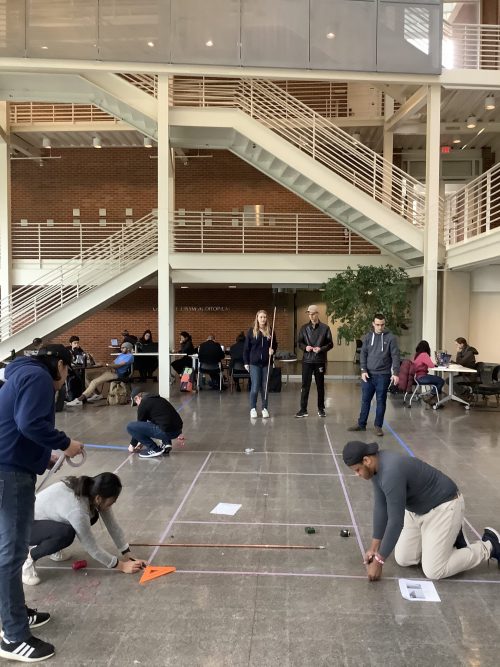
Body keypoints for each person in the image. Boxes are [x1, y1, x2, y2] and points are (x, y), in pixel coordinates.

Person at [0, 344, 83, 663]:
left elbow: (18, 428)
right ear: (59, 365)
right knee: (12, 554)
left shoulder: (22, 373)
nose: (65, 378)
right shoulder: (38, 378)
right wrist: (66, 444)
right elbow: (30, 424)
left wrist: (44, 457)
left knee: (10, 551)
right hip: (9, 473)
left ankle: (16, 612)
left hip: (10, 465)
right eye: (67, 370)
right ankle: (13, 635)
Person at [342, 440, 500, 582]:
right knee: (404, 559)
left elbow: (396, 522)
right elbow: (381, 506)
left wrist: (379, 561)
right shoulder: (376, 469)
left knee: (434, 570)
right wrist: (374, 548)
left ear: (366, 460)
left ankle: (490, 545)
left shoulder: (390, 471)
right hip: (417, 510)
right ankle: (446, 540)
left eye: (357, 470)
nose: (357, 475)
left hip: (444, 507)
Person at [22, 473, 146, 586]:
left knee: (92, 516)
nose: (112, 505)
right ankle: (28, 558)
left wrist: (127, 554)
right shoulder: (78, 510)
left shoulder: (92, 491)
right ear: (98, 498)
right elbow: (92, 547)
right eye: (112, 501)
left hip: (43, 520)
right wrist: (122, 566)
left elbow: (113, 525)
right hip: (24, 526)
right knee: (66, 534)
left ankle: (53, 548)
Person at [348, 313, 400, 436]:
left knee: (381, 401)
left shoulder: (391, 338)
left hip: (383, 375)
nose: (380, 327)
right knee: (365, 400)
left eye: (382, 325)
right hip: (368, 375)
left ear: (385, 324)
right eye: (377, 325)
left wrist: (396, 373)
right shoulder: (367, 337)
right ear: (373, 324)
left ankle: (378, 426)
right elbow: (363, 354)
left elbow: (395, 355)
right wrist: (363, 370)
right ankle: (361, 424)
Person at [65, 342, 134, 406]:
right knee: (86, 375)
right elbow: (113, 363)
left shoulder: (130, 356)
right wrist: (106, 365)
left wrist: (107, 365)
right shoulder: (121, 355)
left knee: (94, 382)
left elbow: (118, 365)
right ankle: (97, 394)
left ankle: (79, 400)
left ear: (128, 348)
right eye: (121, 347)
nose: (121, 349)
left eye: (123, 348)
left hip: (116, 374)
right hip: (109, 370)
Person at [295, 305, 333, 419]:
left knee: (320, 386)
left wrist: (321, 349)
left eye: (312, 314)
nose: (311, 316)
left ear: (317, 314)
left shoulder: (325, 328)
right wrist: (305, 347)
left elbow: (330, 344)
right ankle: (303, 409)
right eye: (309, 314)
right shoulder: (304, 328)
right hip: (307, 361)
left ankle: (321, 409)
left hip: (319, 361)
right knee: (305, 385)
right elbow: (299, 343)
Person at [127, 389, 184, 459]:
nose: (137, 405)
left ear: (137, 398)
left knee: (130, 426)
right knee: (159, 421)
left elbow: (138, 427)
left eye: (136, 402)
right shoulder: (159, 399)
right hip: (177, 430)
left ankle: (154, 449)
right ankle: (167, 443)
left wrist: (132, 445)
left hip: (167, 432)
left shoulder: (143, 403)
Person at [244, 311, 277, 419]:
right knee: (255, 387)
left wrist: (273, 350)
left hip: (267, 363)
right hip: (254, 364)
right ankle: (253, 408)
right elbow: (246, 349)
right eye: (261, 317)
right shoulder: (251, 331)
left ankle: (264, 408)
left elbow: (275, 344)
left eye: (265, 317)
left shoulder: (270, 330)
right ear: (257, 318)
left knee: (265, 387)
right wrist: (246, 363)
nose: (263, 319)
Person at [412, 340, 445, 404]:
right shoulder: (424, 354)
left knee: (436, 381)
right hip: (422, 377)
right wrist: (436, 364)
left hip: (417, 377)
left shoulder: (416, 355)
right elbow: (431, 365)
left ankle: (434, 400)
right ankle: (430, 396)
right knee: (441, 381)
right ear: (427, 347)